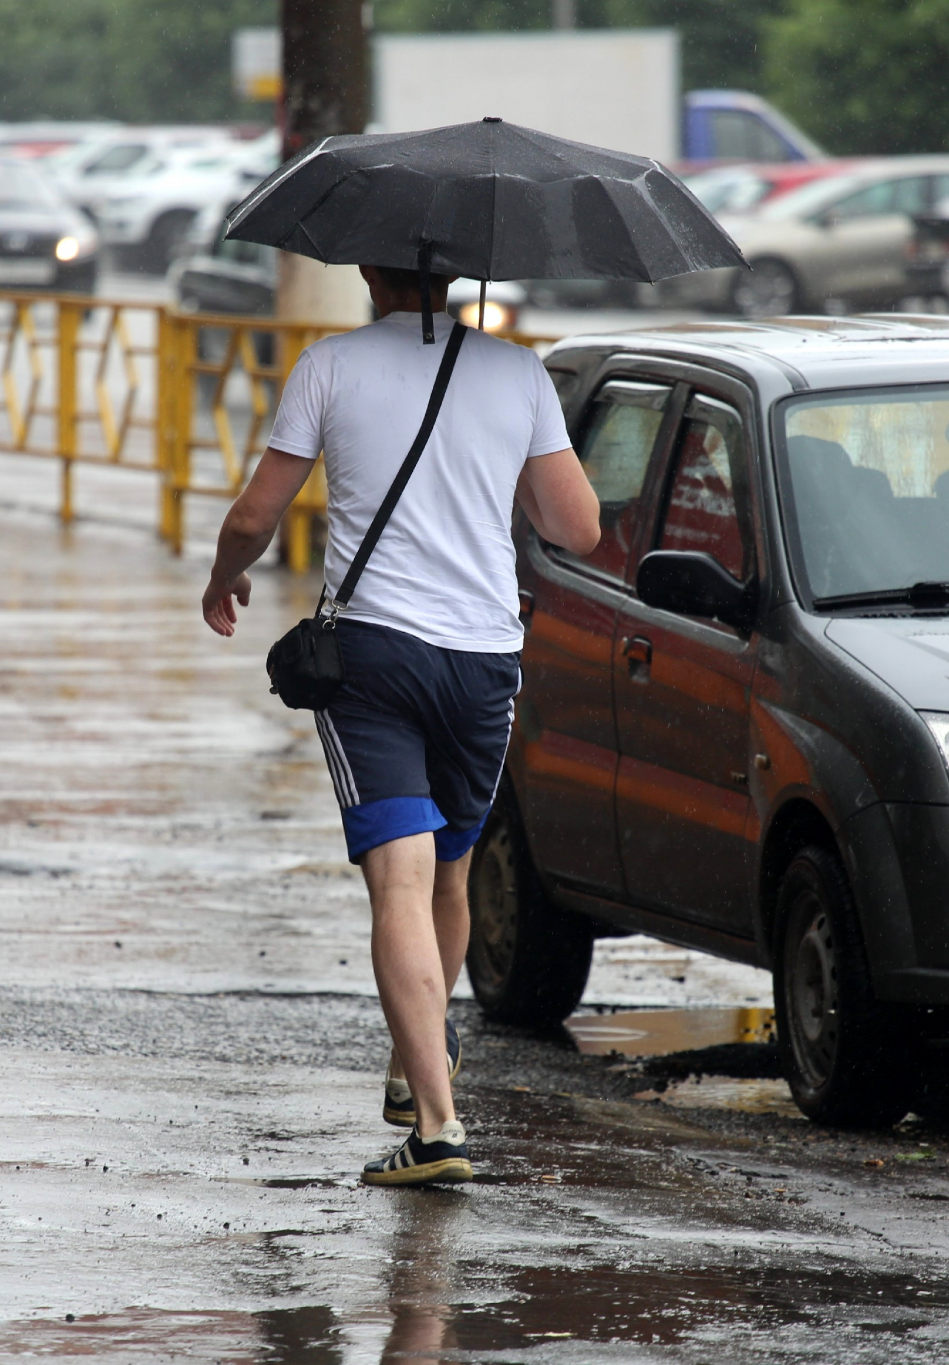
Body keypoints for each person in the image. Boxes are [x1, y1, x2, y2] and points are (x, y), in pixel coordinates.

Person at [201, 265, 601, 1186]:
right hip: (484, 665)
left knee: (398, 881)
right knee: (444, 873)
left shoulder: (329, 366)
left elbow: (258, 512)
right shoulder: (519, 372)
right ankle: (413, 1062)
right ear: (458, 271)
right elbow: (576, 528)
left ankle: (436, 1125)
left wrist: (225, 574)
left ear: (371, 270)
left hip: (374, 659)